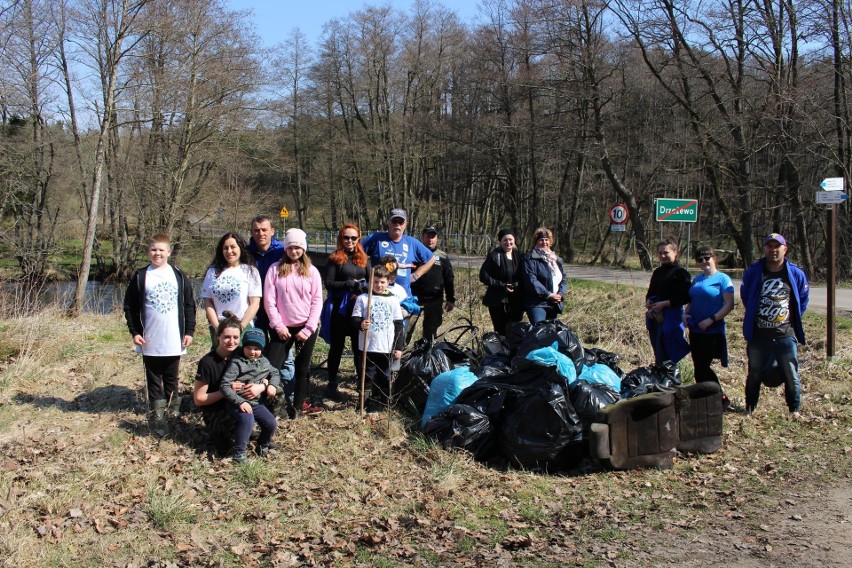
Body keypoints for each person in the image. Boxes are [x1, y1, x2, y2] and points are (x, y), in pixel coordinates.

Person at [123, 233, 196, 435]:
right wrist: (135, 332)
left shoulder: (179, 275)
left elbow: (190, 305)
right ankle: (158, 416)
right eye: (154, 250)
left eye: (161, 250)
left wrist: (189, 331)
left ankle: (173, 413)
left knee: (172, 377)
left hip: (174, 337)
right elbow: (129, 306)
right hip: (150, 338)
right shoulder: (141, 276)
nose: (157, 253)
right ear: (148, 252)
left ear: (169, 252)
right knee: (154, 377)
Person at [741, 233, 809, 419]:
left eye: (776, 246)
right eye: (769, 246)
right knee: (754, 373)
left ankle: (794, 410)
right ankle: (749, 408)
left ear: (784, 249)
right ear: (764, 249)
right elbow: (746, 296)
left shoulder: (795, 273)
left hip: (785, 334)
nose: (773, 250)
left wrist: (790, 320)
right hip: (759, 335)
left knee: (791, 373)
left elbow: (802, 300)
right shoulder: (754, 272)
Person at [264, 228, 324, 419]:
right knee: (272, 367)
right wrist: (278, 325)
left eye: (298, 247)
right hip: (282, 327)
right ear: (286, 248)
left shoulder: (312, 271)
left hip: (306, 327)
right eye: (291, 247)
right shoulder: (274, 269)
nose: (294, 251)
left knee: (302, 368)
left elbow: (317, 300)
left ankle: (297, 406)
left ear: (303, 249)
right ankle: (271, 405)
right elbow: (269, 300)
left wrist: (308, 328)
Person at [683, 246, 735, 410]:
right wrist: (685, 314)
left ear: (714, 259)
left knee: (703, 366)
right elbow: (691, 301)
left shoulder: (723, 279)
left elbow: (729, 305)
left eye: (707, 258)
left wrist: (711, 319)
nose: (704, 261)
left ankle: (720, 398)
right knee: (698, 365)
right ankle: (706, 398)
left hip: (712, 330)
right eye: (700, 259)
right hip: (696, 329)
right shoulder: (697, 279)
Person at [220, 327, 280, 462]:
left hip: (256, 403)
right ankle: (239, 453)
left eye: (256, 349)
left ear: (262, 349)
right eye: (249, 347)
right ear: (243, 347)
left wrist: (271, 385)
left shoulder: (264, 361)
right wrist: (239, 402)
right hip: (237, 402)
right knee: (247, 420)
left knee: (271, 423)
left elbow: (275, 372)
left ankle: (263, 444)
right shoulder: (237, 363)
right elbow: (225, 385)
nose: (252, 352)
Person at [323, 224, 368, 401]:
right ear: (341, 238)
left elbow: (371, 280)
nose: (349, 241)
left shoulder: (364, 259)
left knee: (359, 347)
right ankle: (332, 384)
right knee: (337, 347)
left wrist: (361, 288)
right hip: (340, 309)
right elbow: (329, 283)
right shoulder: (335, 259)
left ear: (358, 239)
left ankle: (361, 383)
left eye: (353, 238)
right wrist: (349, 284)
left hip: (358, 309)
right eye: (346, 237)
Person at [351, 265, 404, 409]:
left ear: (388, 282)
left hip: (385, 346)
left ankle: (383, 404)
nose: (378, 285)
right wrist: (361, 324)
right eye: (375, 282)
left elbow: (399, 324)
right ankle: (363, 403)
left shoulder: (392, 300)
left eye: (382, 282)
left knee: (384, 376)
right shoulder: (363, 298)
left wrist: (398, 347)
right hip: (367, 346)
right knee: (366, 375)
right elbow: (354, 319)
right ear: (370, 282)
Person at [193, 317, 244, 455]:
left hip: (241, 403)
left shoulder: (243, 354)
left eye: (235, 337)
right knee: (224, 451)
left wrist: (262, 386)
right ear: (217, 337)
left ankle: (262, 435)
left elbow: (267, 373)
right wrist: (226, 391)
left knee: (276, 391)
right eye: (226, 337)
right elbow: (199, 399)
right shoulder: (207, 362)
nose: (231, 341)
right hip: (216, 409)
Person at [200, 232, 262, 345]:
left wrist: (242, 326)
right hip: (219, 325)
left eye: (233, 247)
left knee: (239, 360)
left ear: (241, 248)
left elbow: (255, 303)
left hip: (242, 325)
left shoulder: (250, 271)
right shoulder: (212, 271)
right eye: (225, 248)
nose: (229, 251)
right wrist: (217, 327)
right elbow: (208, 302)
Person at [361, 208, 435, 295]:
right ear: (388, 222)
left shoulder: (412, 242)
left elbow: (431, 259)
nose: (397, 224)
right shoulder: (375, 239)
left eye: (401, 222)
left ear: (406, 224)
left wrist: (416, 275)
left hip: (402, 296)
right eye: (394, 221)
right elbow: (356, 253)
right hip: (379, 295)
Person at [645, 237, 691, 365]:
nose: (663, 255)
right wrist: (648, 301)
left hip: (672, 317)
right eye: (660, 253)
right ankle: (661, 377)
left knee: (669, 352)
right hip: (656, 316)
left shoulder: (681, 273)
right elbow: (651, 291)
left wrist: (665, 304)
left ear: (675, 252)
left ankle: (671, 379)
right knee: (658, 351)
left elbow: (685, 298)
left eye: (666, 252)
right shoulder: (658, 272)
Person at [411, 226, 455, 341]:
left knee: (430, 331)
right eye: (427, 236)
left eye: (433, 236)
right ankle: (401, 353)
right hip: (414, 298)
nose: (430, 239)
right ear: (422, 237)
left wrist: (450, 299)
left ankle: (428, 353)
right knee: (407, 328)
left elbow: (449, 278)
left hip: (434, 299)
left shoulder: (442, 256)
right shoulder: (414, 253)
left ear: (437, 238)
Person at [479, 228, 525, 335]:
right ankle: (501, 350)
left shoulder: (520, 256)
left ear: (514, 240)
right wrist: (501, 285)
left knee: (515, 329)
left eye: (510, 239)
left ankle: (513, 350)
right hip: (497, 300)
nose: (508, 242)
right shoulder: (494, 256)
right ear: (500, 241)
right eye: (505, 240)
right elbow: (483, 276)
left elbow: (525, 274)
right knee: (501, 330)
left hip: (516, 300)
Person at [247, 215, 285, 339]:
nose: (260, 233)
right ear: (252, 232)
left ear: (272, 231)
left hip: (278, 308)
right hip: (255, 307)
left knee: (280, 349)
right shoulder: (245, 253)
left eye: (264, 230)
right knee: (258, 346)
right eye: (256, 230)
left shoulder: (283, 252)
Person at [522, 227, 568, 324]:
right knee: (540, 333)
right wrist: (548, 294)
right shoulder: (530, 258)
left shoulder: (555, 260)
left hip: (553, 303)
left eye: (546, 240)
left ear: (550, 241)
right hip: (537, 304)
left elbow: (563, 279)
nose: (544, 242)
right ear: (536, 242)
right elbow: (531, 280)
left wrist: (561, 294)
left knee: (552, 335)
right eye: (541, 240)